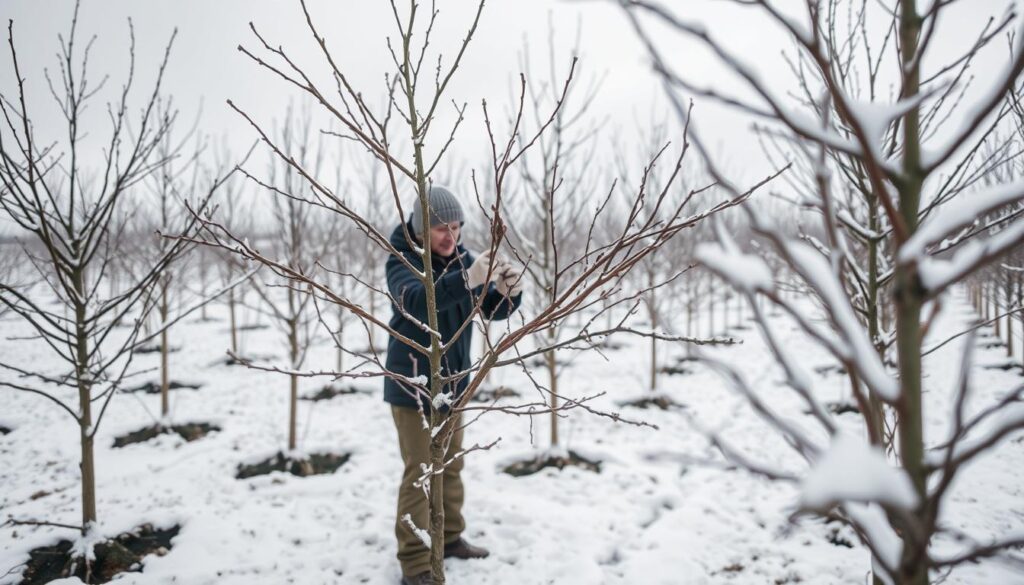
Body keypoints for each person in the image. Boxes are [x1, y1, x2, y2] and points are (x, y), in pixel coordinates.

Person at [384, 185, 524, 585]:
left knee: (451, 464)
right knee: (421, 471)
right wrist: (469, 279)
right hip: (413, 385)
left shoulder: (463, 259)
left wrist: (509, 294)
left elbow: (489, 310)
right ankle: (414, 562)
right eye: (442, 228)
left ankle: (449, 537)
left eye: (457, 226)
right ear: (420, 227)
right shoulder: (402, 261)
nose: (452, 236)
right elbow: (414, 301)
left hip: (454, 384)